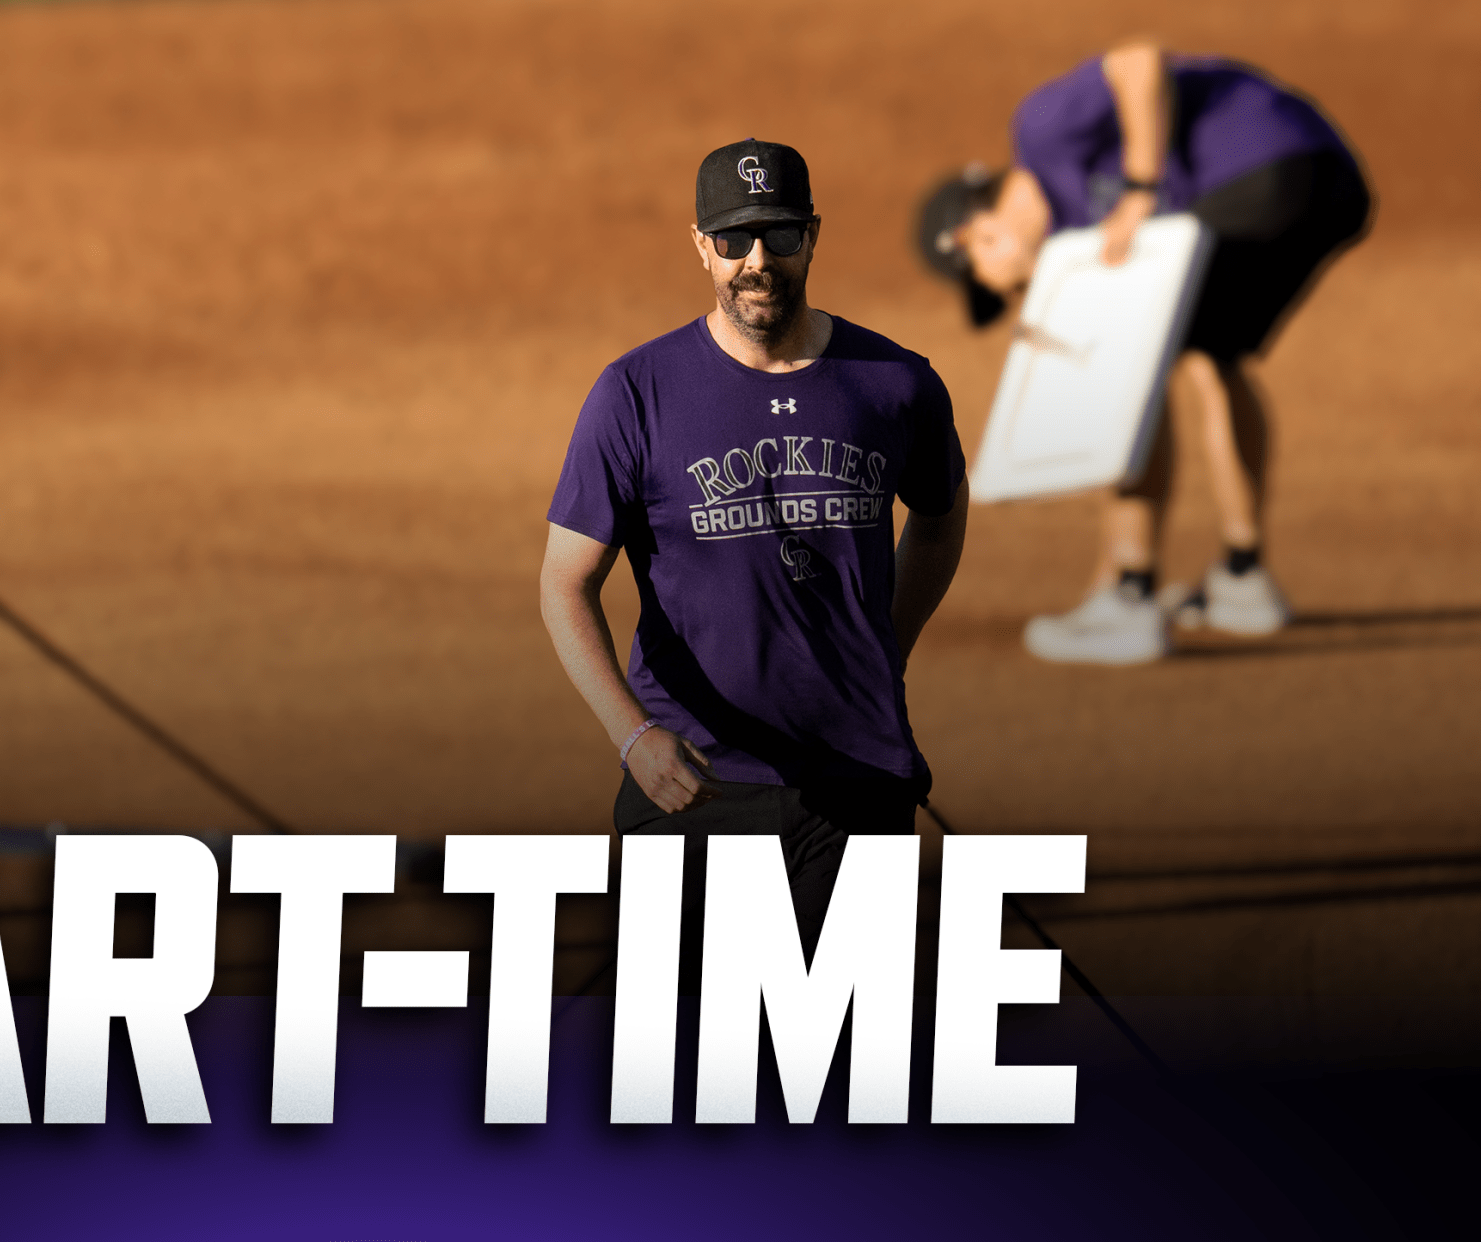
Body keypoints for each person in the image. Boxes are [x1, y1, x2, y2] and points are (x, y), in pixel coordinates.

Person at [540, 140, 968, 964]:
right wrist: (633, 737)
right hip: (694, 785)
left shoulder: (897, 383)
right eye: (734, 242)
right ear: (701, 245)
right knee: (684, 1069)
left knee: (844, 1062)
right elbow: (565, 584)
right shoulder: (634, 394)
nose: (757, 262)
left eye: (779, 236)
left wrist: (886, 648)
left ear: (813, 235)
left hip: (859, 773)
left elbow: (942, 517)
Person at [918, 42, 1370, 664]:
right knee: (1214, 355)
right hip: (1325, 182)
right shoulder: (1078, 226)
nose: (1015, 293)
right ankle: (1244, 578)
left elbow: (1137, 63)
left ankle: (1128, 591)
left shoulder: (1041, 132)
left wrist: (1140, 188)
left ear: (975, 232)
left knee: (1133, 362)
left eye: (993, 280)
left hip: (1262, 165)